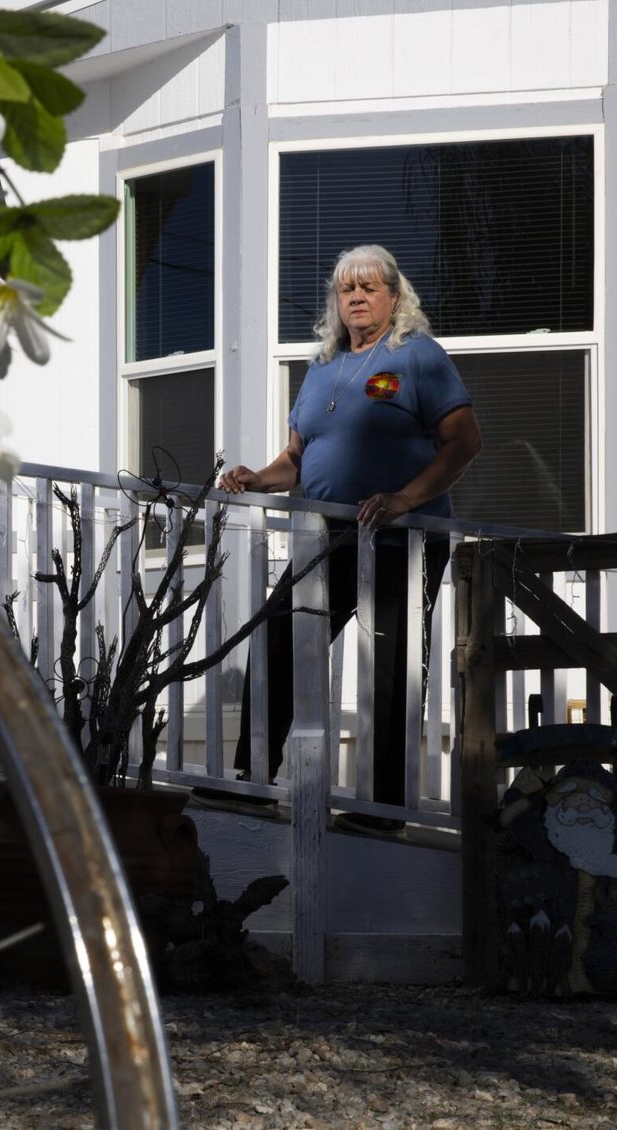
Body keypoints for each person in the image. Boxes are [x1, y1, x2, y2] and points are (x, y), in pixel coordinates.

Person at [196, 245, 482, 836]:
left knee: (392, 664)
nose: (356, 297)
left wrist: (405, 497)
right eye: (346, 288)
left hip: (400, 537)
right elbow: (296, 460)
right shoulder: (323, 365)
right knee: (279, 637)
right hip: (326, 534)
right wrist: (256, 476)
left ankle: (383, 809)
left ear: (394, 298)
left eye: (370, 287)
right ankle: (252, 778)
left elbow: (463, 442)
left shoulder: (417, 357)